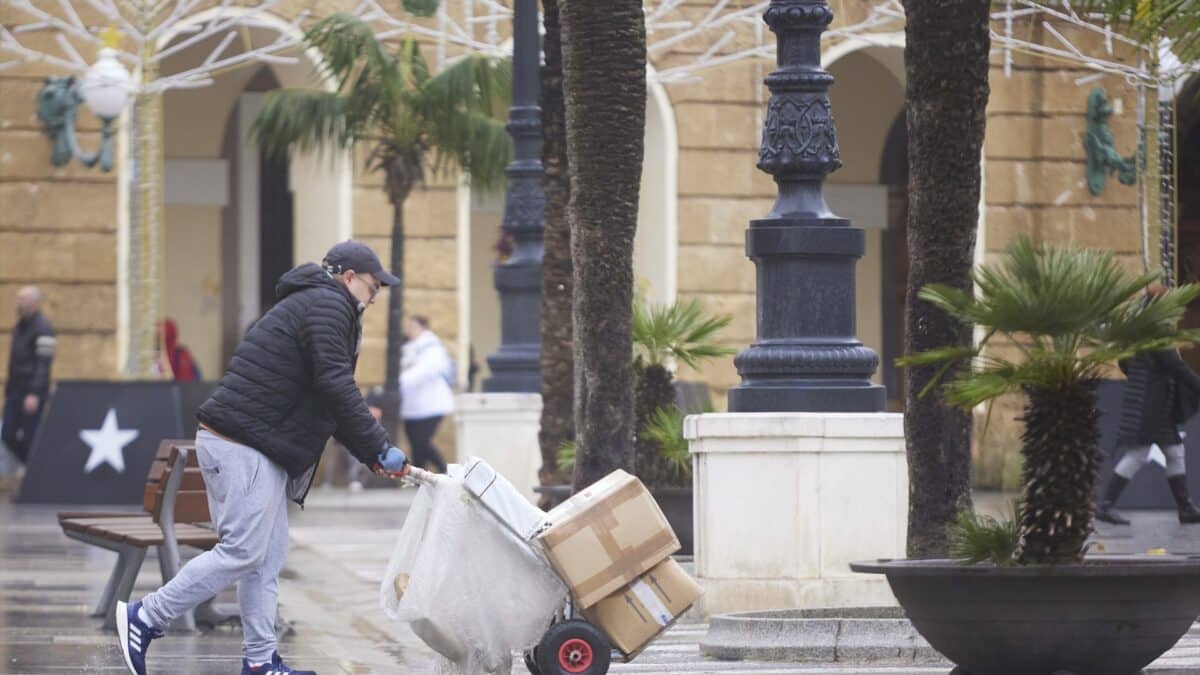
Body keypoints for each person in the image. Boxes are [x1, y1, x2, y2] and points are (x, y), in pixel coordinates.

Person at [115, 241, 411, 675]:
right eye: (373, 285)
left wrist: (373, 453)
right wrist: (379, 443)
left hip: (250, 445)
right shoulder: (329, 306)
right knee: (243, 551)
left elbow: (327, 399)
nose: (375, 295)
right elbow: (335, 383)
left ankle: (259, 661)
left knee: (265, 559)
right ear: (349, 278)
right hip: (245, 445)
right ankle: (145, 616)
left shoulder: (315, 304)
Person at [1097, 285, 1200, 526]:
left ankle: (1185, 508)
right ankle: (1105, 505)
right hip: (1150, 405)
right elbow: (1176, 367)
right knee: (1138, 454)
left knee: (1174, 452)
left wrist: (1143, 375)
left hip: (1152, 403)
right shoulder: (1156, 331)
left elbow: (1124, 363)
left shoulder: (1139, 331)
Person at [3, 286, 55, 465]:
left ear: (33, 302)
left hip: (31, 395)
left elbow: (43, 364)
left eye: (22, 299)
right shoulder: (20, 327)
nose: (18, 302)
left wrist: (34, 393)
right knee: (7, 434)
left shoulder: (43, 329)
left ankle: (35, 472)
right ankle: (31, 468)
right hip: (15, 393)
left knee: (30, 438)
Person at [400, 315, 454, 473]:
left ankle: (444, 470)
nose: (409, 330)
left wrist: (401, 382)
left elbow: (424, 371)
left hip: (431, 405)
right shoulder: (409, 348)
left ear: (423, 328)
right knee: (416, 445)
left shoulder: (432, 348)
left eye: (413, 327)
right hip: (411, 406)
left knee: (421, 442)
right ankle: (420, 478)